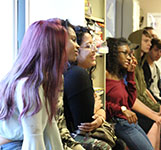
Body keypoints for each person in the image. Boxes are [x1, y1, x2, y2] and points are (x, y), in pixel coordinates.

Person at [0, 19, 66, 150]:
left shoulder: (44, 80)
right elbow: (33, 138)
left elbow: (49, 128)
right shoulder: (29, 85)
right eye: (62, 46)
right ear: (52, 50)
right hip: (15, 145)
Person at [106, 37, 161, 150]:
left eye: (130, 54)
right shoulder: (105, 75)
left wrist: (131, 74)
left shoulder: (119, 76)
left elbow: (131, 101)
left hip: (129, 121)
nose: (129, 58)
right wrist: (122, 109)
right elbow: (103, 103)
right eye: (125, 53)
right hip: (118, 122)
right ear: (114, 54)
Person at [128, 29, 161, 150]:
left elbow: (145, 91)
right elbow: (136, 96)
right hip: (138, 113)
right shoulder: (134, 66)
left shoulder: (141, 66)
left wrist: (158, 107)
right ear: (137, 42)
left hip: (147, 108)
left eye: (150, 41)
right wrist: (156, 109)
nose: (149, 44)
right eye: (146, 41)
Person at [63, 25, 112, 150]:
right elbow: (86, 122)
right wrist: (97, 110)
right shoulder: (77, 74)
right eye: (88, 46)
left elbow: (100, 110)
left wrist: (100, 115)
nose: (94, 50)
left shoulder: (80, 73)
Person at [55, 19, 84, 150]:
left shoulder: (58, 77)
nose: (77, 46)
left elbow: (61, 129)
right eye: (73, 40)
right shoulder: (36, 82)